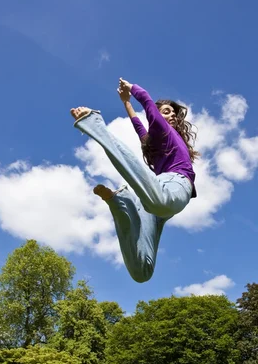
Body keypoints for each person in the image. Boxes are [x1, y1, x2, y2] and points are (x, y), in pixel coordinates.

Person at [70, 78, 199, 283]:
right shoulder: (161, 131)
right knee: (159, 207)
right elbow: (147, 107)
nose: (172, 114)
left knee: (142, 274)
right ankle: (93, 123)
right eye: (166, 111)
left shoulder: (168, 137)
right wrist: (133, 90)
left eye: (173, 112)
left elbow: (138, 126)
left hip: (159, 192)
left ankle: (121, 201)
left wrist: (126, 103)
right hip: (167, 189)